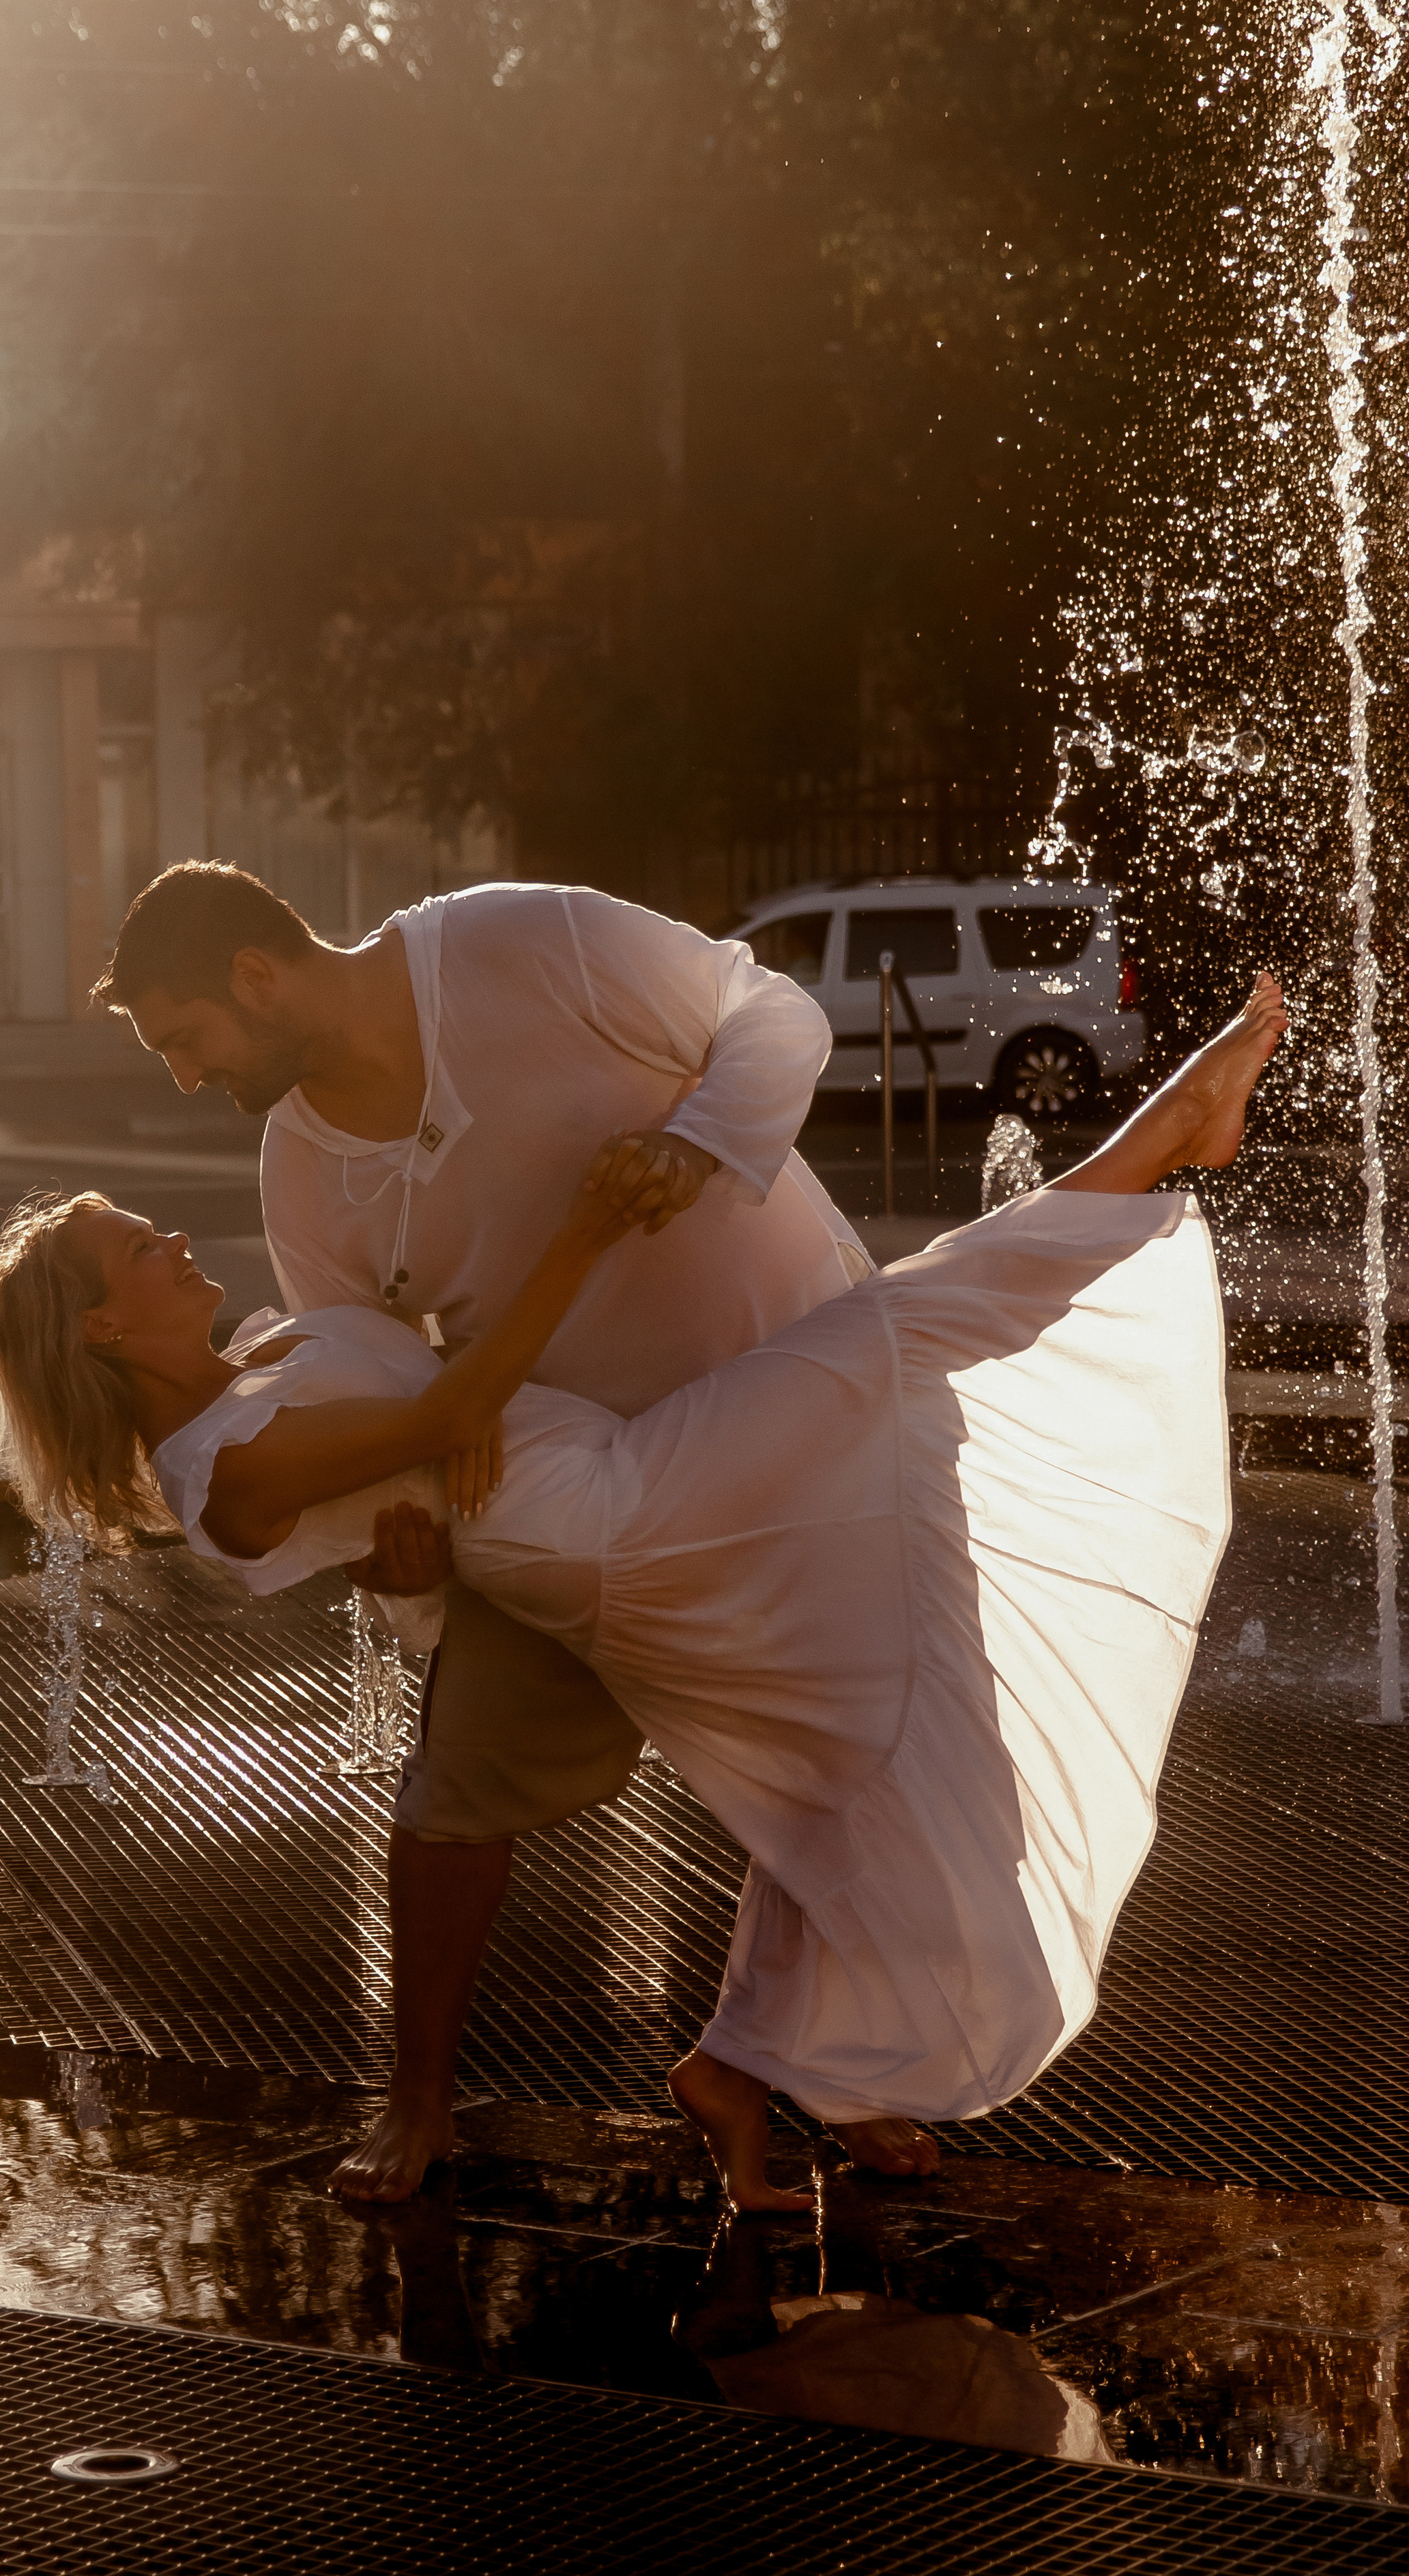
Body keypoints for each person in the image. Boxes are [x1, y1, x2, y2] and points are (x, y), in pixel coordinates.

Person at [0, 977, 1287, 2210]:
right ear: (100, 1328)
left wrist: (441, 1447)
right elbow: (444, 1407)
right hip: (611, 1526)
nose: (168, 1238)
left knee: (843, 1736)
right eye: (136, 1250)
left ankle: (741, 2064)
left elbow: (432, 1425)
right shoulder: (222, 1466)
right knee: (896, 1334)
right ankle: (1167, 1132)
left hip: (610, 1476)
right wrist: (582, 1239)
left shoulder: (267, 1352)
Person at [89, 862, 871, 2201]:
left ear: (255, 976)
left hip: (794, 1405)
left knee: (842, 1771)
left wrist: (700, 1142)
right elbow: (380, 1393)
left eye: (185, 1038)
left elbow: (772, 1015)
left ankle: (844, 2082)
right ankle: (420, 2099)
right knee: (450, 1798)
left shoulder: (528, 938)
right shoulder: (300, 1172)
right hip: (568, 1499)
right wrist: (410, 1568)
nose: (182, 1078)